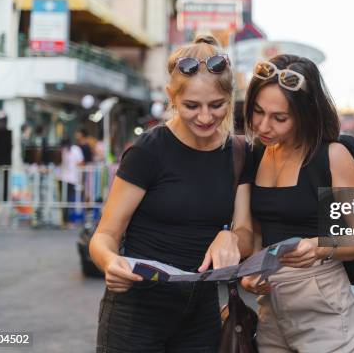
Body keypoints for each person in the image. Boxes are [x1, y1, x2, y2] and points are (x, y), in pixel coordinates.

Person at [89, 35, 254, 352]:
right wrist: (110, 262)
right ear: (172, 97)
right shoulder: (149, 151)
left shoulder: (238, 152)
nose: (205, 117)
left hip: (201, 314)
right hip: (135, 313)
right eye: (192, 106)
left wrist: (231, 238)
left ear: (230, 98)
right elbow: (105, 234)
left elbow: (246, 232)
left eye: (216, 105)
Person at [239, 55, 354, 353]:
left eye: (279, 118)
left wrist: (319, 245)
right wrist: (250, 271)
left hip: (321, 302)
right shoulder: (256, 154)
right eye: (258, 111)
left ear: (304, 114)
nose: (264, 125)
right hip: (270, 307)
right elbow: (260, 230)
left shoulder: (331, 156)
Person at [58, 136, 84, 227]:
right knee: (68, 200)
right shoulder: (75, 149)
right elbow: (81, 162)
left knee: (65, 200)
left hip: (65, 178)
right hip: (69, 179)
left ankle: (66, 220)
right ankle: (67, 221)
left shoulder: (64, 150)